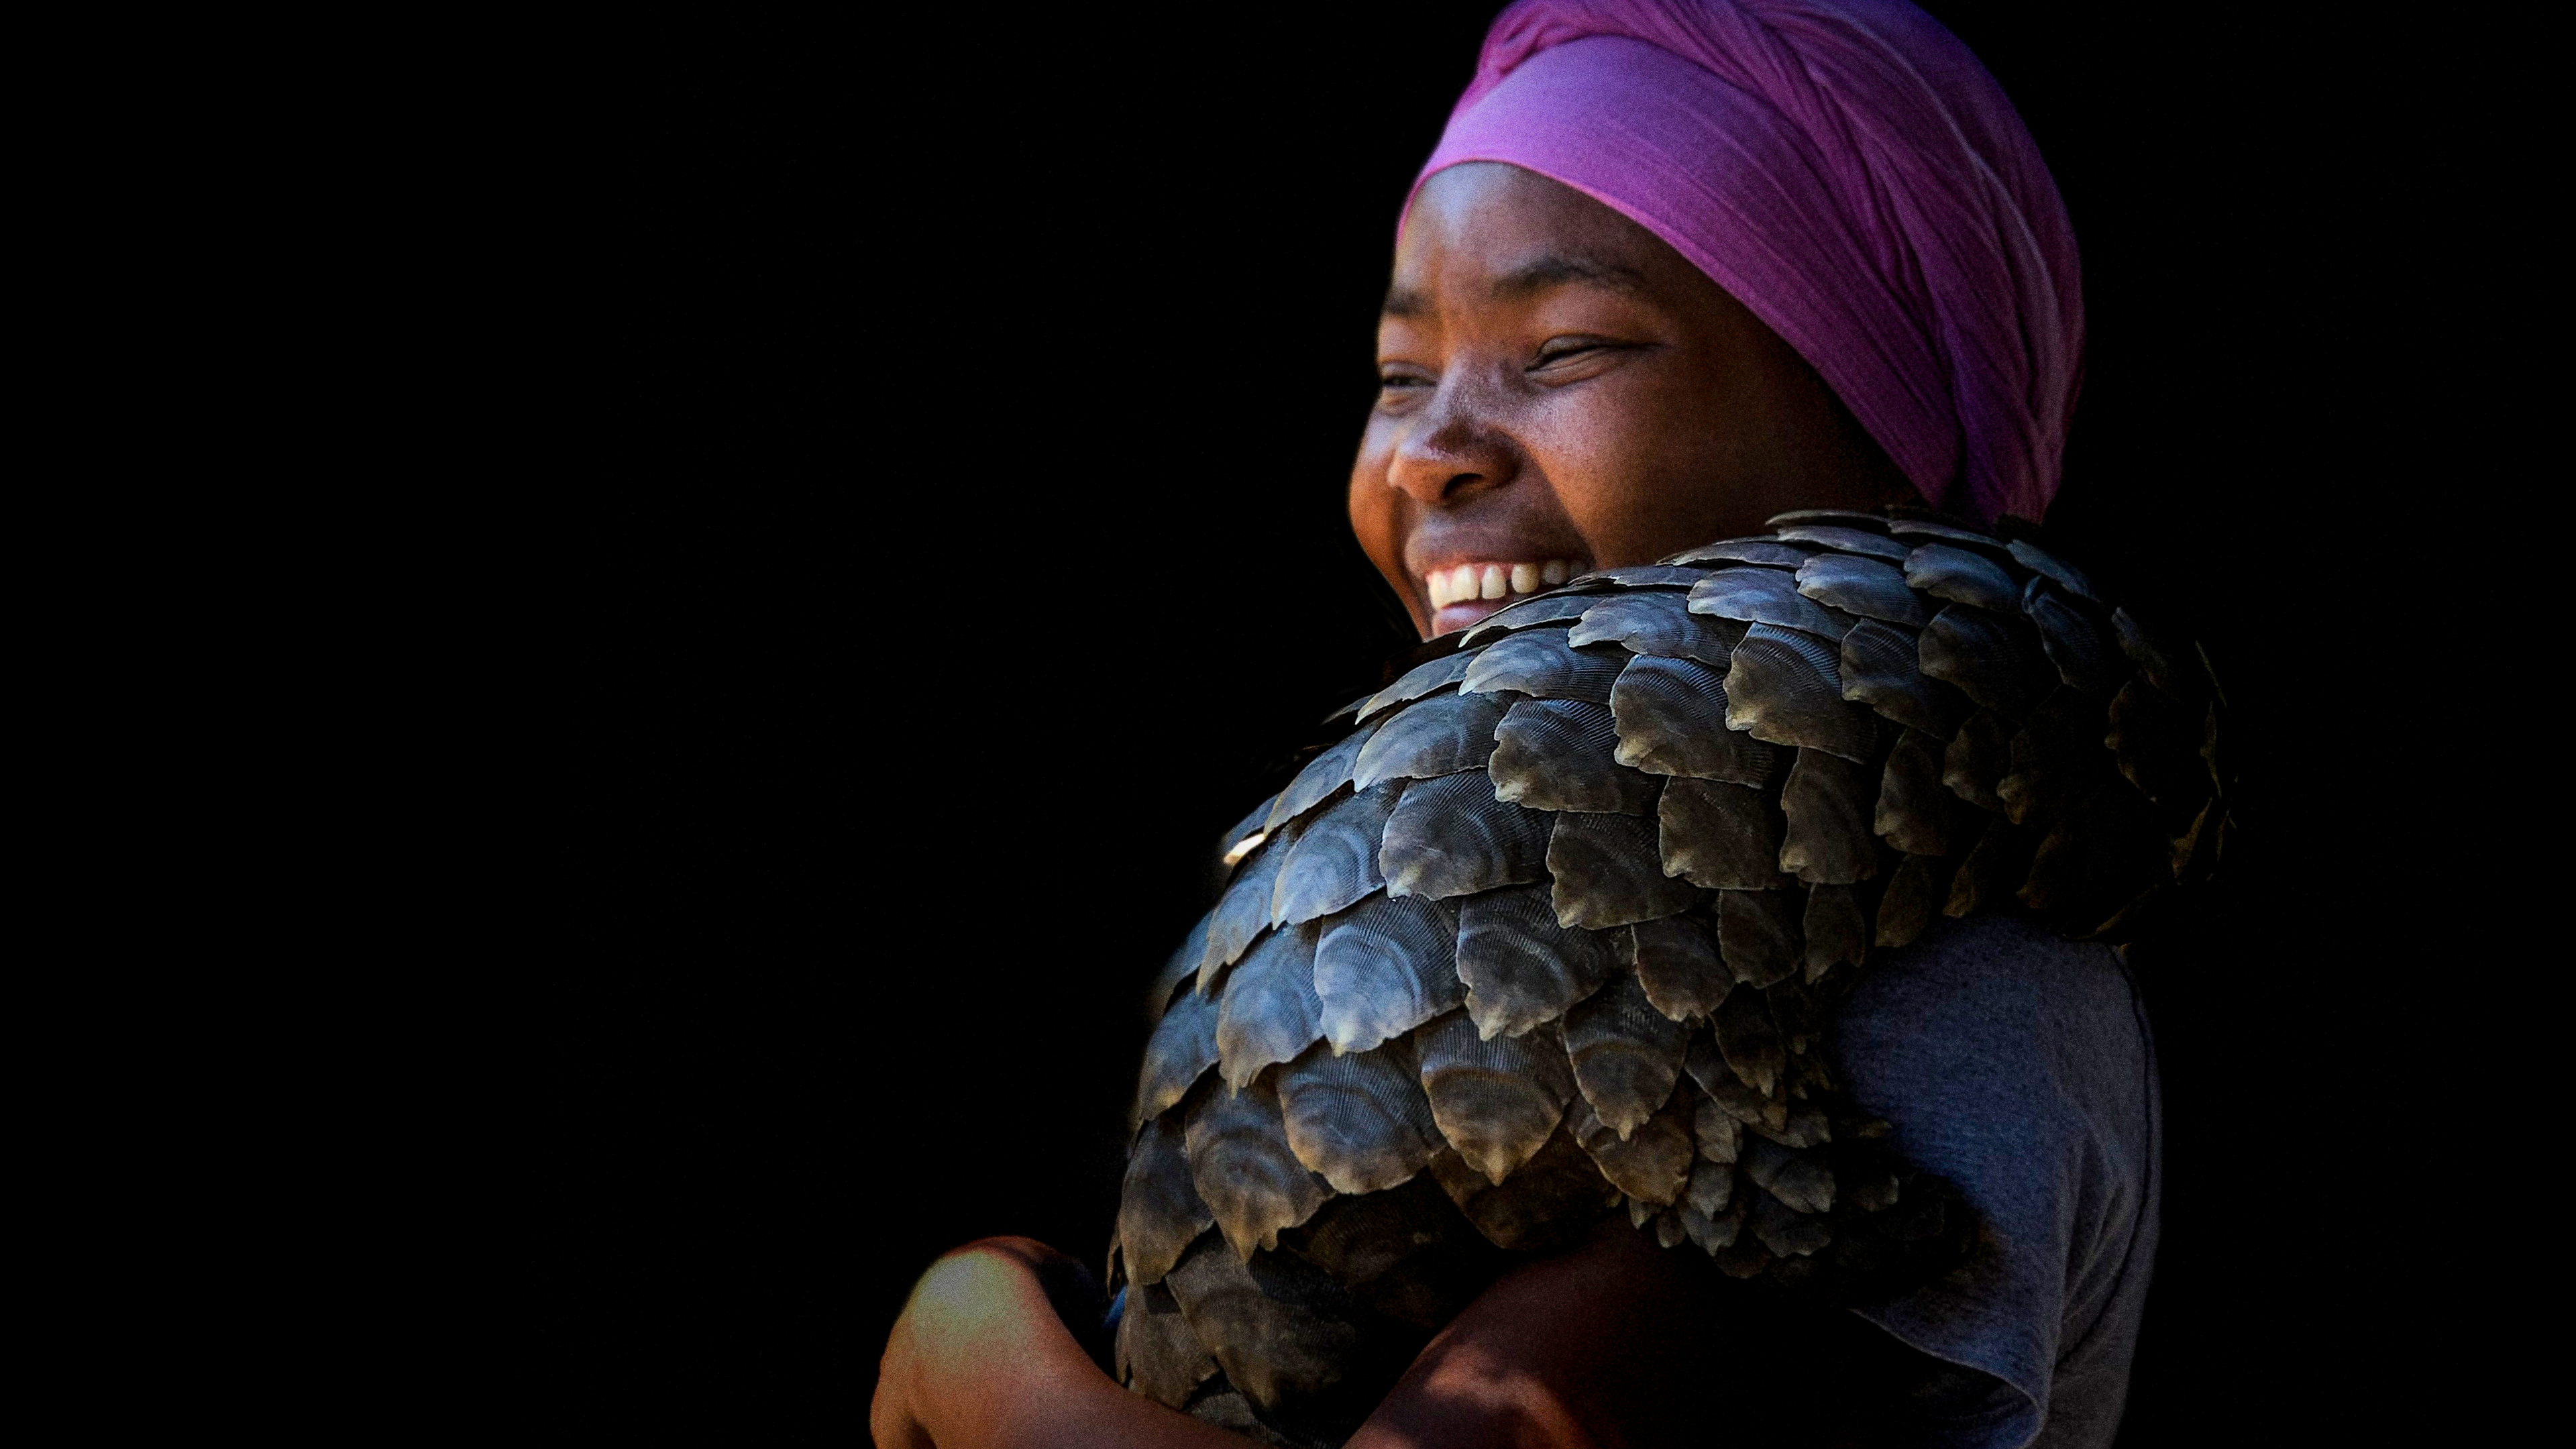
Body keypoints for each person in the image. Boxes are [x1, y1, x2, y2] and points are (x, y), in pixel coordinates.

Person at [873, 3, 2153, 1444]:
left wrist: (970, 1349)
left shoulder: (1915, 976)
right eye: (1400, 377)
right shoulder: (1519, 880)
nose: (1431, 453)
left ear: (1892, 448)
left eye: (1565, 351)